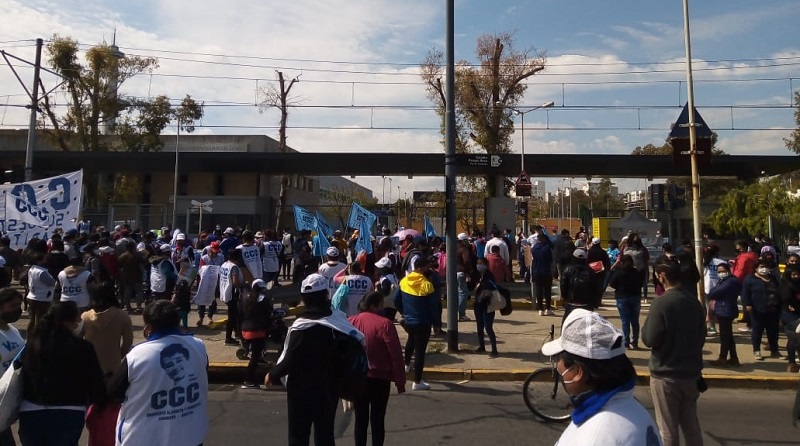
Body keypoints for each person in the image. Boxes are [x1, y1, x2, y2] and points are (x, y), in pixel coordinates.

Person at [265, 273, 364, 446]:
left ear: (304, 298)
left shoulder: (301, 327)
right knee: (325, 434)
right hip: (328, 388)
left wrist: (273, 374)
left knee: (298, 435)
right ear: (326, 295)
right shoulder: (338, 321)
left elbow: (291, 359)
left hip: (301, 391)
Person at [542, 309, 662, 445]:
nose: (557, 366)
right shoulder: (630, 406)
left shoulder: (595, 438)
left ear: (577, 372)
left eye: (558, 359)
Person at [108, 300, 209, 446]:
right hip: (191, 437)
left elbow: (113, 393)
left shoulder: (137, 355)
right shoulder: (198, 346)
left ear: (148, 327)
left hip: (145, 439)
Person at [19, 301, 106, 445]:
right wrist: (101, 402)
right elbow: (94, 380)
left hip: (30, 410)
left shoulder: (32, 345)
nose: (78, 323)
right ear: (67, 322)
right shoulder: (82, 347)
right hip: (68, 411)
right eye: (76, 319)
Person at [642, 257, 705, 446]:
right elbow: (701, 338)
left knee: (668, 430)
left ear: (662, 276)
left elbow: (650, 339)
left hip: (666, 374)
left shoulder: (661, 304)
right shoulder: (694, 303)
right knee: (691, 426)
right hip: (691, 373)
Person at [348, 291, 406, 446]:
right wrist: (400, 381)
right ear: (375, 305)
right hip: (380, 379)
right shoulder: (385, 323)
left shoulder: (350, 322)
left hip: (358, 378)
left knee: (360, 420)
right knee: (378, 419)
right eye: (381, 304)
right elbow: (395, 354)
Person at [394, 256, 439, 390]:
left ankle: (406, 366)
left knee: (410, 341)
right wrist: (436, 323)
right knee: (420, 352)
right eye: (426, 267)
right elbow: (433, 307)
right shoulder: (427, 285)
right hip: (423, 322)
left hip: (409, 320)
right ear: (420, 268)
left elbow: (396, 299)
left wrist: (403, 312)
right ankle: (417, 382)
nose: (427, 269)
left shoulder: (404, 281)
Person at [81, 282, 134, 377]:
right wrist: (119, 356)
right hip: (114, 366)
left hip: (90, 365)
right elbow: (128, 342)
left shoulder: (85, 317)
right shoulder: (122, 316)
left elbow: (77, 339)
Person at [741, 258, 783, 360]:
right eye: (761, 267)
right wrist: (747, 305)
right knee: (757, 331)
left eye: (766, 267)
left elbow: (780, 292)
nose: (764, 269)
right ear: (756, 268)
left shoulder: (773, 279)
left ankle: (774, 351)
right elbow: (745, 293)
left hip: (773, 310)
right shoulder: (750, 279)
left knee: (773, 331)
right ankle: (756, 351)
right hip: (757, 310)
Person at [0, 288, 24, 446]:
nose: (17, 309)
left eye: (19, 305)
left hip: (7, 400)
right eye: (12, 306)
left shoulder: (13, 331)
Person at [706, 262, 742, 367]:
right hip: (724, 309)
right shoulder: (725, 281)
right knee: (728, 336)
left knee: (725, 336)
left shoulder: (730, 282)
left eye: (722, 271)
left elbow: (714, 293)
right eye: (719, 272)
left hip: (726, 310)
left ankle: (722, 358)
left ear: (728, 270)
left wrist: (714, 291)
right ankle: (734, 358)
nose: (720, 273)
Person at [240, 279, 271, 389]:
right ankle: (248, 380)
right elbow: (268, 315)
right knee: (255, 357)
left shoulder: (246, 298)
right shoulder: (264, 300)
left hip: (245, 330)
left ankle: (255, 354)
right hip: (257, 332)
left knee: (256, 350)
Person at [609, 254, 642, 349]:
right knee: (635, 320)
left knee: (625, 321)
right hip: (635, 296)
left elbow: (612, 283)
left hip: (622, 297)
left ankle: (626, 341)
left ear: (621, 262)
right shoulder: (636, 272)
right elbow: (641, 283)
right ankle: (635, 341)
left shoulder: (619, 272)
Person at [220, 247, 249, 346]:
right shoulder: (234, 267)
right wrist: (245, 284)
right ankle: (228, 338)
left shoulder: (224, 264)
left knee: (234, 315)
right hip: (232, 294)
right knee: (233, 317)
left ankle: (237, 333)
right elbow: (235, 283)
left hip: (225, 293)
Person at [473, 257, 500, 358]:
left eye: (481, 264)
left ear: (485, 265)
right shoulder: (475, 274)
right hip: (478, 304)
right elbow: (471, 287)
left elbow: (491, 288)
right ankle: (482, 346)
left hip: (488, 305)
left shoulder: (489, 276)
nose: (479, 266)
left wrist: (481, 285)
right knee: (479, 327)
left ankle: (494, 349)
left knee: (488, 327)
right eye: (478, 263)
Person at [560, 248, 597, 321]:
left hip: (572, 302)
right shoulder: (591, 271)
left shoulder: (568, 269)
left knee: (567, 323)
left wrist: (565, 298)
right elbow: (595, 287)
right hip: (587, 304)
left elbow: (563, 285)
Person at [780, 264, 800, 372]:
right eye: (793, 274)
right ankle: (792, 362)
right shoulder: (786, 287)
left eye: (797, 274)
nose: (796, 277)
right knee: (793, 338)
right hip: (790, 316)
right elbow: (786, 300)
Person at [531, 232, 554, 316]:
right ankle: (548, 308)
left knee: (539, 291)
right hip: (546, 271)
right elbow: (551, 260)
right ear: (544, 239)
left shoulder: (533, 249)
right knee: (547, 291)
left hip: (536, 271)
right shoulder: (547, 248)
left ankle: (540, 309)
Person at [374, 256, 400, 321]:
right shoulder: (394, 276)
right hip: (393, 305)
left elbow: (385, 293)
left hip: (386, 306)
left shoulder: (385, 279)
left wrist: (378, 286)